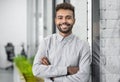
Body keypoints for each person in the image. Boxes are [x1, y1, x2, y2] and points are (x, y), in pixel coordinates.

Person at [32, 2, 91, 82]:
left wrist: (52, 77)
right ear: (55, 20)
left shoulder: (83, 46)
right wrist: (67, 70)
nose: (64, 21)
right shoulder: (46, 42)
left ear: (74, 20)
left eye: (68, 17)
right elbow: (36, 70)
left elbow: (83, 78)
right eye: (60, 18)